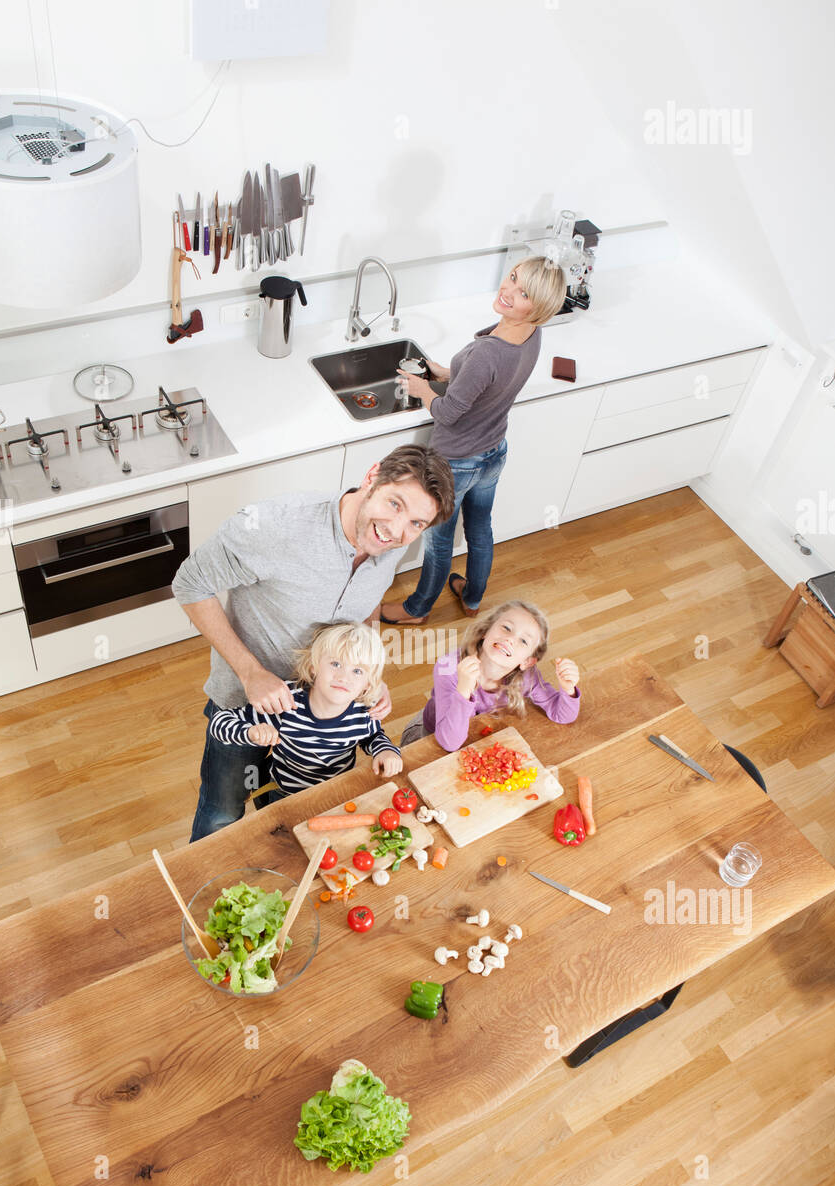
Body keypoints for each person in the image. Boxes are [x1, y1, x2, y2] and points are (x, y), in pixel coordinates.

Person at [171, 444, 455, 840]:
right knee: (223, 812)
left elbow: (368, 604)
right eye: (394, 503)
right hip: (247, 700)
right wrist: (252, 673)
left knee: (293, 808)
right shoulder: (276, 527)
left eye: (417, 523)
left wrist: (368, 671)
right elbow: (188, 584)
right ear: (371, 477)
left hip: (328, 709)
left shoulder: (391, 543)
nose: (396, 530)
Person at [380, 258, 568, 625]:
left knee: (438, 541)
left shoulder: (487, 352)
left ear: (539, 307)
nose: (508, 290)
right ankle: (473, 597)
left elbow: (449, 412)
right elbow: (486, 380)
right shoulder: (532, 333)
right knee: (480, 528)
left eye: (523, 292)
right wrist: (447, 373)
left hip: (456, 463)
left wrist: (421, 389)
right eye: (512, 278)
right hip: (493, 452)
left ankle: (416, 609)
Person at [207, 622, 403, 801]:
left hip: (334, 793)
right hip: (284, 794)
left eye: (357, 671)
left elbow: (373, 736)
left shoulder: (362, 712)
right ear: (313, 668)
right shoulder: (286, 703)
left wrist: (386, 750)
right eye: (336, 664)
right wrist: (250, 733)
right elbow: (219, 722)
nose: (344, 677)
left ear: (367, 686)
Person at [401, 599, 580, 752]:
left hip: (474, 742)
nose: (510, 639)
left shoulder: (528, 677)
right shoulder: (448, 667)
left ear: (527, 661)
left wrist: (568, 689)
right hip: (429, 739)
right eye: (506, 628)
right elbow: (449, 742)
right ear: (486, 631)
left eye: (524, 641)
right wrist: (463, 690)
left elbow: (562, 715)